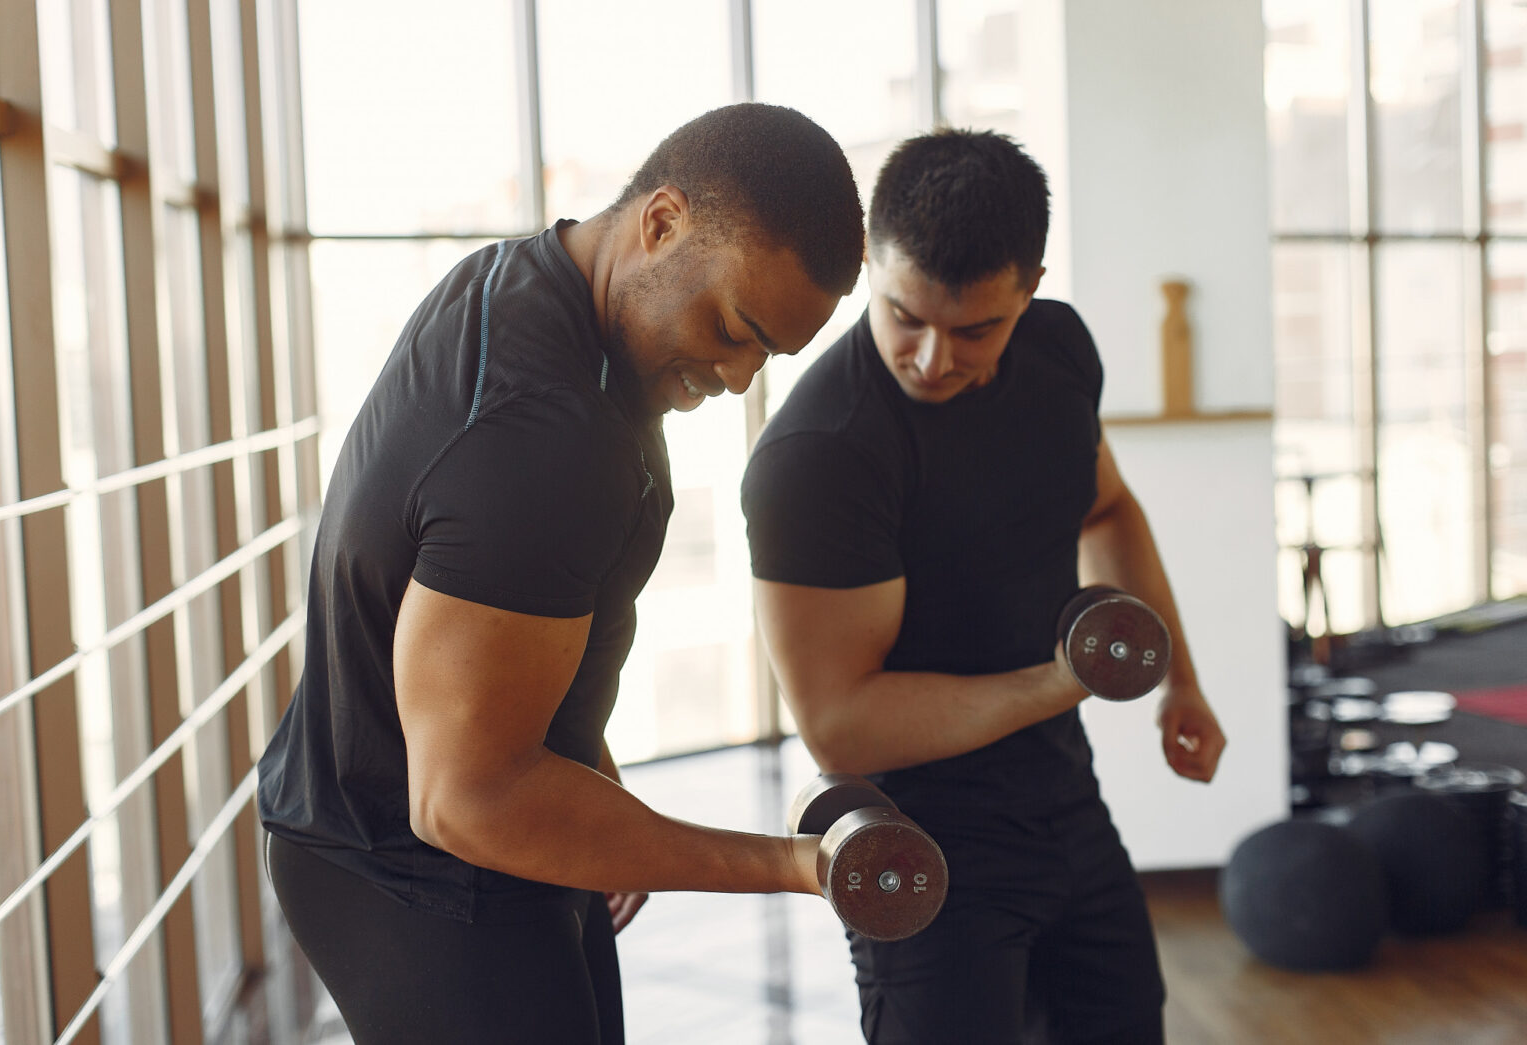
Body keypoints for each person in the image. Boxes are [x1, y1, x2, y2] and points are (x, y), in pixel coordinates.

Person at [256, 102, 865, 1044]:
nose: (742, 377)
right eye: (733, 327)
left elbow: (497, 612)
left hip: (428, 821)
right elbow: (466, 794)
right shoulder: (541, 431)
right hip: (425, 870)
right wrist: (800, 866)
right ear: (663, 221)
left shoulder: (525, 279)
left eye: (769, 354)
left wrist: (588, 775)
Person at [741, 128, 1228, 1044]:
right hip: (918, 845)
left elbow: (1109, 508)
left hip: (1065, 806)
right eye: (903, 316)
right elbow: (841, 722)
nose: (932, 357)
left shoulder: (1058, 354)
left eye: (974, 329)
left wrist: (1178, 680)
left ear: (1030, 289)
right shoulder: (820, 455)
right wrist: (1067, 679)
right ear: (869, 268)